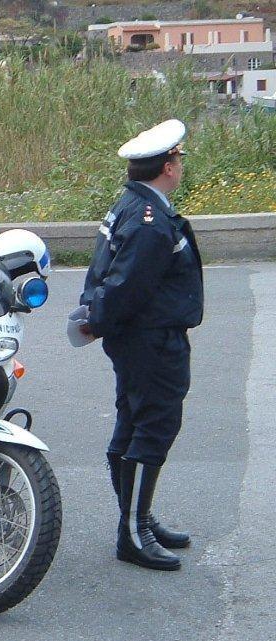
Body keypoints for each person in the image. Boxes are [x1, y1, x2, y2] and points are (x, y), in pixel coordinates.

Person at [79, 119, 203, 571]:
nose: (181, 165)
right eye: (179, 159)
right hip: (151, 339)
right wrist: (98, 321)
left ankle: (138, 518)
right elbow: (127, 284)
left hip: (139, 338)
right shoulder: (150, 220)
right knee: (152, 426)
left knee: (134, 422)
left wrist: (99, 321)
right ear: (168, 166)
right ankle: (132, 533)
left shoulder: (133, 205)